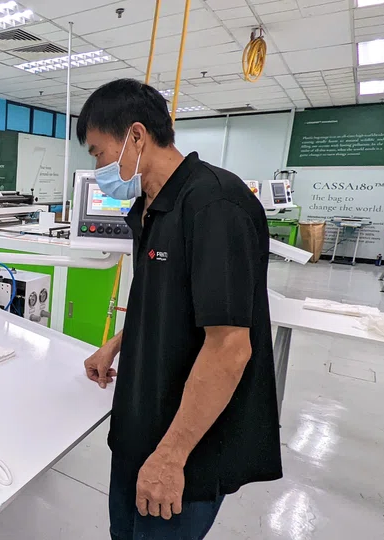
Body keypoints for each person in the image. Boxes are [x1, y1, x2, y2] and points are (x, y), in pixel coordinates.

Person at [76, 79, 282, 540]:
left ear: (135, 136)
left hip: (186, 447)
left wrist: (171, 456)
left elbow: (229, 347)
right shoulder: (149, 208)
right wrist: (116, 343)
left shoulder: (215, 205)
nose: (97, 167)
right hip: (139, 428)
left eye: (97, 152)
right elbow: (167, 302)